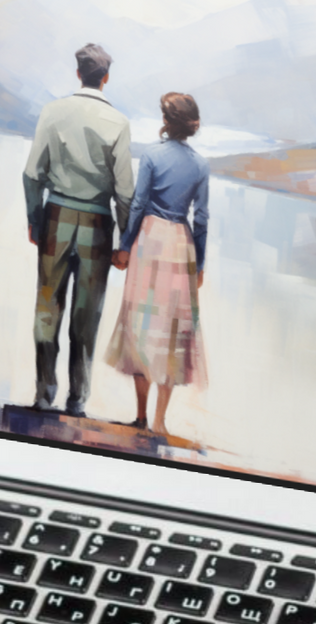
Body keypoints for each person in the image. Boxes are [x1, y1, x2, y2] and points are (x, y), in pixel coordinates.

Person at [22, 43, 135, 417]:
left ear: (78, 73)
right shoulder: (118, 123)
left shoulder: (53, 112)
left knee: (46, 309)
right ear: (106, 77)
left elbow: (32, 174)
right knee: (86, 316)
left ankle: (43, 393)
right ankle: (77, 400)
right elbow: (125, 192)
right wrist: (124, 243)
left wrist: (35, 220)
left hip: (55, 217)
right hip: (98, 226)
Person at [105, 92, 211, 435]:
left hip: (149, 241)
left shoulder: (152, 155)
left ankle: (139, 415)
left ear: (166, 122)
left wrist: (123, 246)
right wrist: (201, 263)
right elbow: (203, 219)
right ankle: (160, 421)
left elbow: (138, 204)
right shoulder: (200, 165)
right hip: (180, 246)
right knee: (172, 333)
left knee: (141, 324)